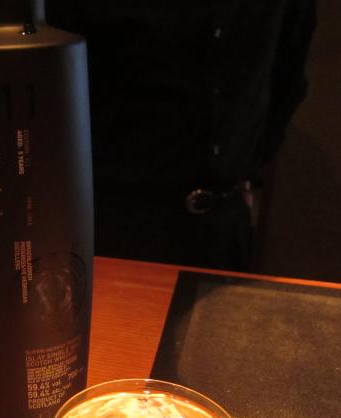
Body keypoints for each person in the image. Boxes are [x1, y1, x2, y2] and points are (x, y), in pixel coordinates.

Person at [46, 0, 317, 270]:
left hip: (222, 224)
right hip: (112, 221)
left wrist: (244, 163)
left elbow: (288, 78)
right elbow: (50, 81)